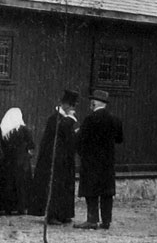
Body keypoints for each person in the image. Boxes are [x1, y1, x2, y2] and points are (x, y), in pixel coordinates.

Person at [31, 90, 81, 224]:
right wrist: (70, 120)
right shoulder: (55, 119)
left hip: (64, 159)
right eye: (71, 106)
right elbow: (60, 133)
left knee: (64, 186)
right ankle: (52, 215)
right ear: (65, 105)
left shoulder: (62, 119)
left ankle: (63, 213)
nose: (73, 109)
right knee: (55, 187)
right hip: (54, 160)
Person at [77, 88, 124, 230]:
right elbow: (119, 139)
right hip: (107, 162)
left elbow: (81, 140)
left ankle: (92, 220)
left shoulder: (90, 119)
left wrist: (82, 152)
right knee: (106, 192)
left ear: (94, 103)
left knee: (91, 192)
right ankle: (106, 221)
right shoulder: (115, 120)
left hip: (91, 161)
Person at [0, 107, 34, 216]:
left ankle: (7, 207)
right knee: (21, 184)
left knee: (8, 183)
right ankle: (21, 207)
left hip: (7, 161)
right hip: (21, 161)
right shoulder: (23, 129)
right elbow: (32, 144)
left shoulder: (2, 129)